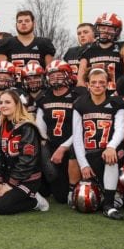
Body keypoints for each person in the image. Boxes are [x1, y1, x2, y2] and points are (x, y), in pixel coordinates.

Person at [72, 68, 124, 219]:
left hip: (109, 151)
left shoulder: (116, 103)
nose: (97, 85)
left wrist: (111, 147)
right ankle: (120, 198)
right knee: (81, 199)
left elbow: (120, 130)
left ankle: (109, 205)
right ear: (88, 85)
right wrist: (83, 164)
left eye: (101, 82)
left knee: (112, 157)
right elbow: (77, 137)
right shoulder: (80, 104)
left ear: (107, 85)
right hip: (90, 154)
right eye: (94, 82)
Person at [0, 89, 48, 214]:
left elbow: (27, 160)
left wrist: (10, 184)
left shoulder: (27, 127)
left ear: (17, 104)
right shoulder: (0, 126)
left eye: (8, 102)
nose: (3, 105)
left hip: (27, 178)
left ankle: (36, 201)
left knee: (2, 208)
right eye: (1, 102)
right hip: (8, 176)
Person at [35, 60, 88, 205]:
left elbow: (82, 127)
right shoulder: (43, 97)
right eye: (52, 76)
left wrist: (64, 147)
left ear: (68, 75)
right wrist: (45, 149)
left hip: (73, 146)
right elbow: (41, 129)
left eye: (59, 75)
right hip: (53, 146)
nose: (55, 79)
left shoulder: (78, 95)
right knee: (58, 195)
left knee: (63, 196)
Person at [77, 13, 124, 89]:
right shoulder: (87, 48)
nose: (105, 31)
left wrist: (122, 93)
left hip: (117, 94)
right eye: (103, 28)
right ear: (97, 29)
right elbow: (80, 79)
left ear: (116, 31)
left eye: (110, 29)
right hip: (93, 95)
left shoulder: (122, 47)